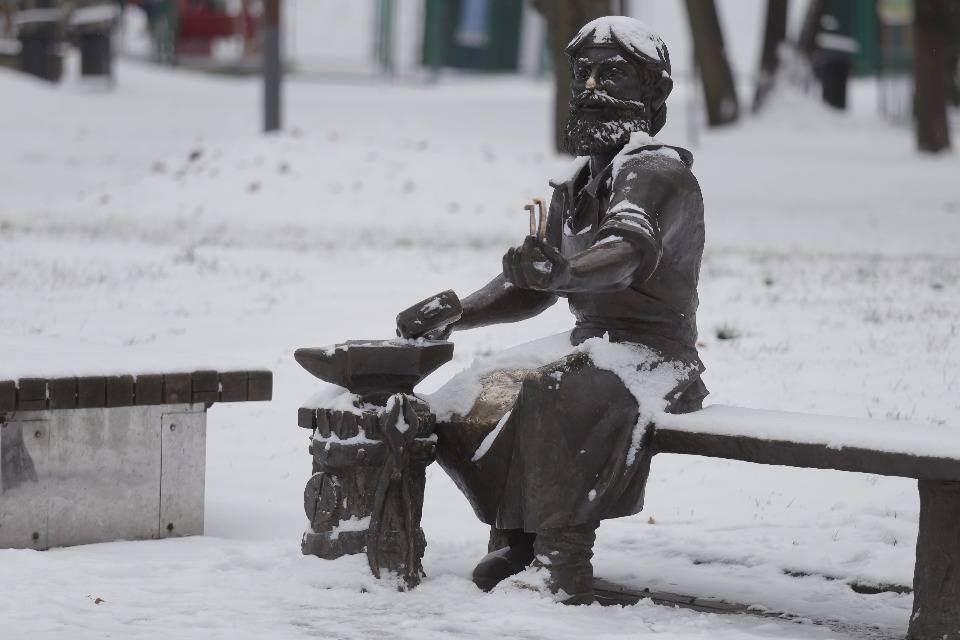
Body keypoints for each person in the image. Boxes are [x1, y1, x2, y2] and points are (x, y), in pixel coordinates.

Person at [397, 15, 707, 604]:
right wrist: (457, 311)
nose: (591, 88)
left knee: (553, 393)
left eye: (612, 74)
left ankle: (561, 557)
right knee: (476, 392)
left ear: (653, 92)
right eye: (583, 73)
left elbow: (626, 250)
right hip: (592, 348)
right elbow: (533, 291)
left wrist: (564, 271)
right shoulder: (577, 185)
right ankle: (516, 537)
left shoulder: (655, 172)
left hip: (654, 360)